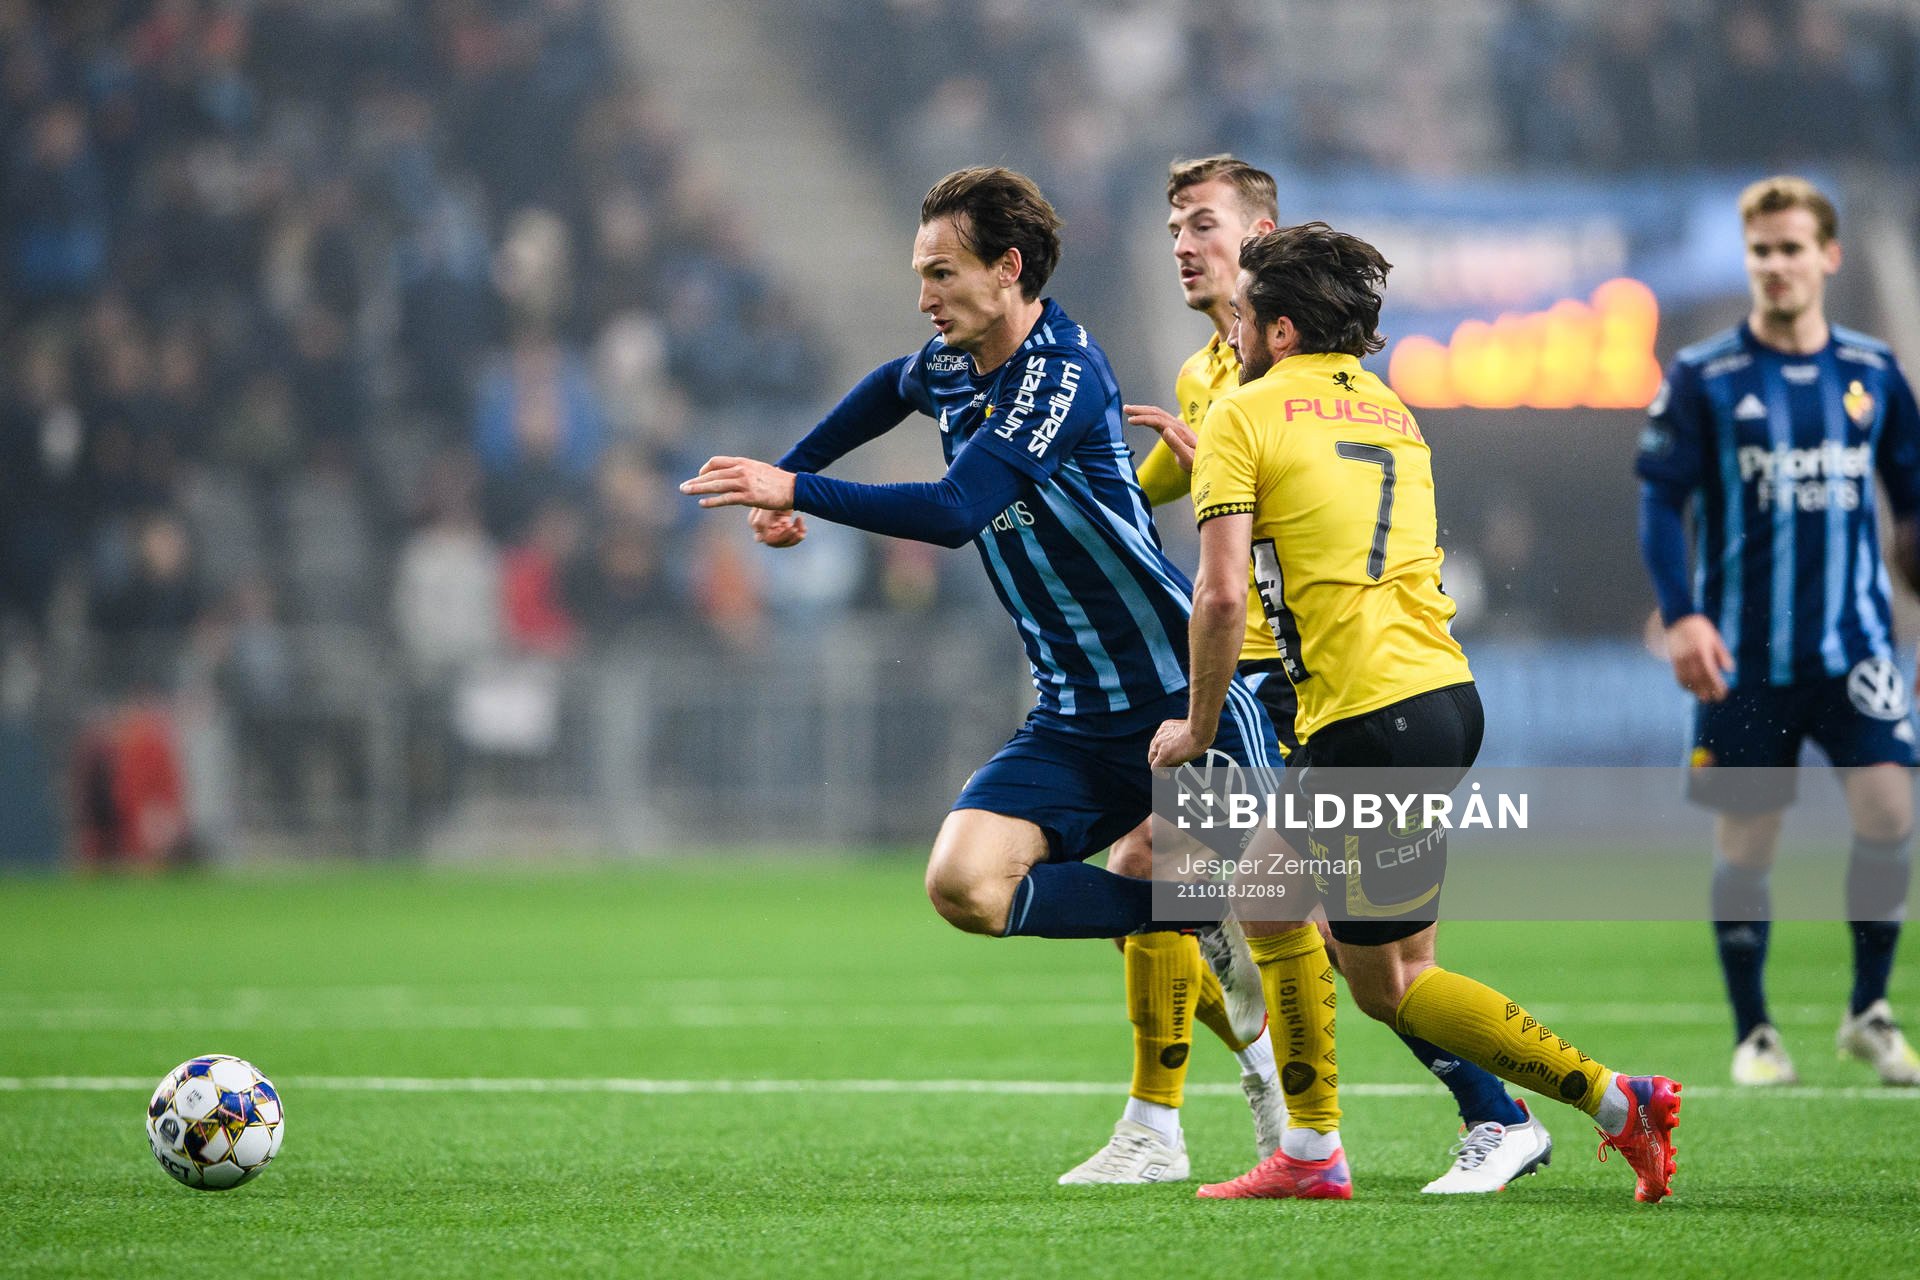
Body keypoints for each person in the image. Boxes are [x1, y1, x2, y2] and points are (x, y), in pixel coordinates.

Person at [1151, 222, 1683, 1203]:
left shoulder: (1243, 412)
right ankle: (1316, 1148)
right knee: (1279, 897)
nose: (1233, 330)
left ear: (1277, 328)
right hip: (1439, 698)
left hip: (1368, 718)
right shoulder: (1391, 408)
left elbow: (1220, 597)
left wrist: (1196, 724)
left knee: (1389, 981)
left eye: (1244, 316)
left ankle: (1616, 1098)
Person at [1061, 154, 1545, 1195]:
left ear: (1261, 239)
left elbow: (1239, 551)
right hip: (1274, 681)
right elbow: (1158, 492)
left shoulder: (1280, 385)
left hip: (1302, 680)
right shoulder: (1210, 375)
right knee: (1171, 871)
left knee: (1267, 905)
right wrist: (1084, 483)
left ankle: (1423, 1115)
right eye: (1173, 228)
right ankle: (1203, 1119)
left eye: (1203, 223)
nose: (1182, 245)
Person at [680, 167, 1281, 980]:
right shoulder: (953, 364)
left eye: (942, 273)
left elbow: (957, 510)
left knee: (1337, 943)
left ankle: (1260, 958)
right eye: (921, 275)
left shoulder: (1062, 372)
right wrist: (793, 469)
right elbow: (889, 387)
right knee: (964, 884)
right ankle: (1190, 916)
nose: (925, 297)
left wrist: (795, 490)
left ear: (1007, 268)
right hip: (1073, 716)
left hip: (1180, 694)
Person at [1636, 175, 1920, 1088]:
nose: (1776, 265)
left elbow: (1914, 505)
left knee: (1890, 810)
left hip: (1857, 646)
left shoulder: (1873, 372)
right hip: (1744, 656)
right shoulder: (1705, 375)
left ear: (1828, 256)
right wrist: (1683, 613)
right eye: (1760, 250)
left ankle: (1869, 1011)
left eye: (1792, 248)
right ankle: (1755, 1032)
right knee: (1747, 843)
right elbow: (1660, 501)